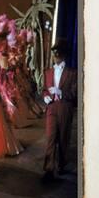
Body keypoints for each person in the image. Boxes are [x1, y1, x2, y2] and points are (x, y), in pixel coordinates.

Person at [42, 40, 77, 180]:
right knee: (50, 138)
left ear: (63, 55)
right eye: (54, 53)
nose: (55, 56)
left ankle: (61, 164)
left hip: (65, 107)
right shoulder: (48, 72)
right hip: (51, 108)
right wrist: (45, 97)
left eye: (58, 53)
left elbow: (75, 94)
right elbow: (45, 90)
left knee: (63, 138)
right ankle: (48, 169)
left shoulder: (72, 73)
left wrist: (61, 92)